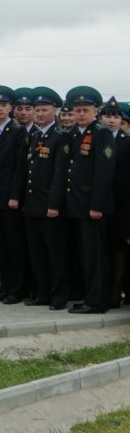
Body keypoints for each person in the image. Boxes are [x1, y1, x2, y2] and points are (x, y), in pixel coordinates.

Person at [65, 86, 115, 314]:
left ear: (95, 110)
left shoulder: (101, 133)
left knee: (95, 257)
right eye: (77, 110)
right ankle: (89, 296)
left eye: (85, 109)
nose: (81, 114)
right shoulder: (76, 133)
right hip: (77, 205)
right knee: (84, 255)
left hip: (92, 208)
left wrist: (96, 205)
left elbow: (104, 173)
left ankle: (97, 302)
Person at [22, 87, 69, 310]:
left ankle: (58, 296)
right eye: (36, 110)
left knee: (54, 253)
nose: (39, 114)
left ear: (54, 110)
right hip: (32, 205)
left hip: (49, 206)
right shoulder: (35, 135)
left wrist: (54, 204)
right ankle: (42, 293)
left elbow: (60, 174)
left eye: (44, 109)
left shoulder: (60, 137)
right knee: (37, 253)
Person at [0, 86, 29, 305]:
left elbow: (20, 167)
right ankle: (6, 286)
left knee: (14, 247)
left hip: (10, 200)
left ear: (11, 108)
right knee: (0, 246)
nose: (0, 109)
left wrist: (15, 196)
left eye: (3, 106)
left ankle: (17, 289)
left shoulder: (18, 132)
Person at [99, 97, 130, 308]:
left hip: (122, 206)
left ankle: (115, 292)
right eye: (108, 116)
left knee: (119, 250)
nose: (112, 120)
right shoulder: (96, 139)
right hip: (100, 204)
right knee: (103, 250)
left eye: (116, 116)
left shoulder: (127, 142)